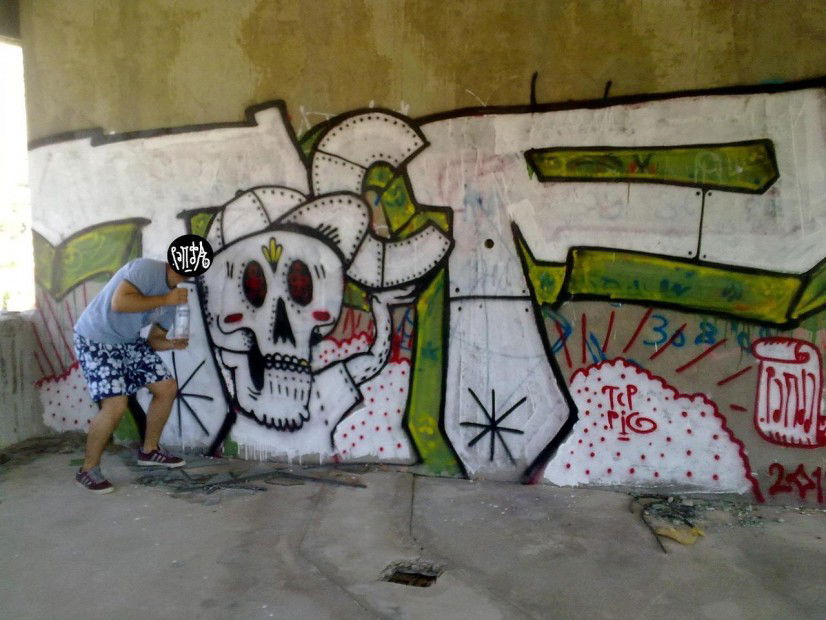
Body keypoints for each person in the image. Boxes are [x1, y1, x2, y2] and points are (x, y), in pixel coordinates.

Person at [72, 257, 190, 493]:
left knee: (166, 387)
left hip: (128, 341)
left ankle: (149, 450)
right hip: (96, 338)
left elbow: (154, 341)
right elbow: (119, 302)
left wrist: (173, 344)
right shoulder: (147, 269)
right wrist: (166, 299)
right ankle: (87, 469)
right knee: (116, 405)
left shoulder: (174, 299)